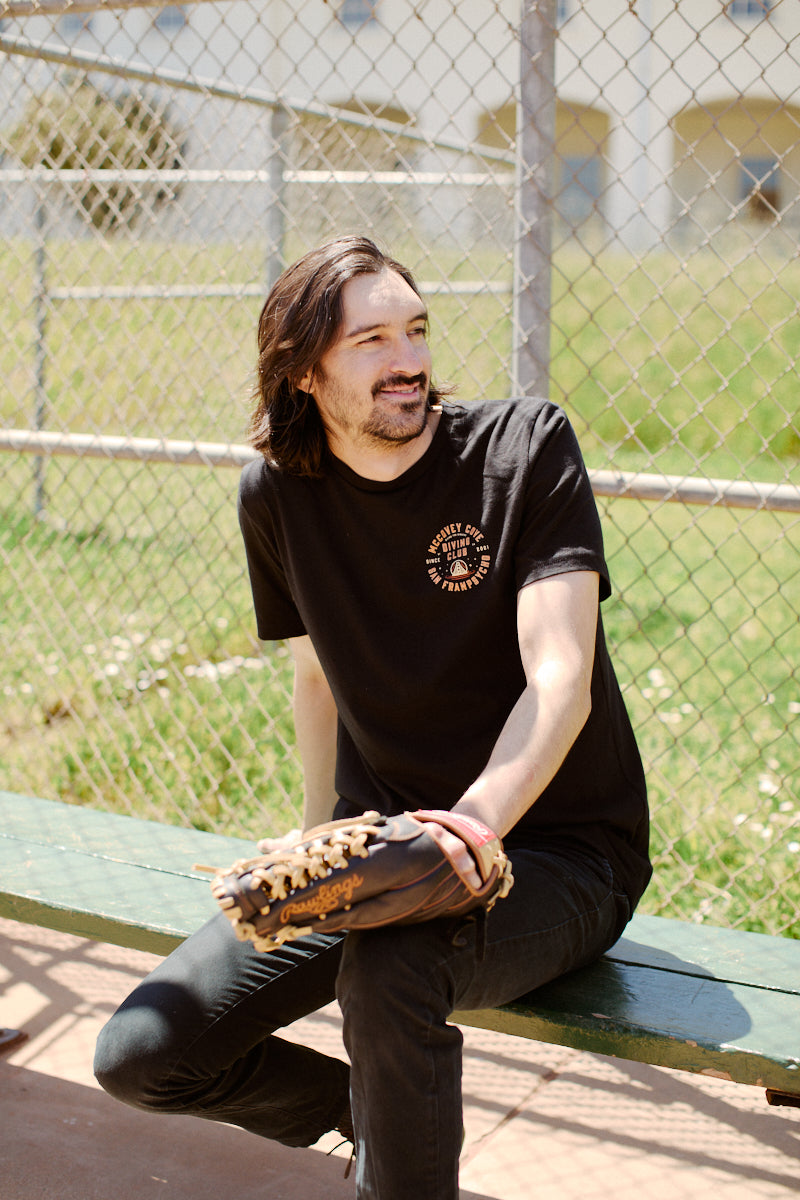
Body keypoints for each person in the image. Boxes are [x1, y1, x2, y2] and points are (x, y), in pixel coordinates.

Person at [94, 235, 651, 1200]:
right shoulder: (276, 492)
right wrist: (318, 833)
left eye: (419, 330)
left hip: (555, 852)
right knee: (143, 1052)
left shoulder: (523, 451)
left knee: (390, 971)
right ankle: (386, 1118)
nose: (411, 361)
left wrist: (468, 829)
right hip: (374, 845)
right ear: (305, 371)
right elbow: (317, 680)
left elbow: (560, 677)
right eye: (373, 341)